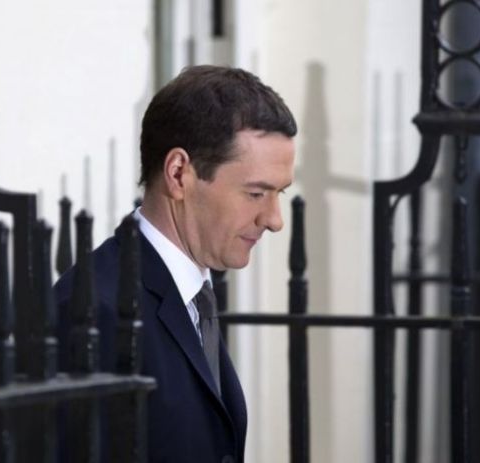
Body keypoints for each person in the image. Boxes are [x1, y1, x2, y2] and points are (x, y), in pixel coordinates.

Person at [55, 65, 297, 463]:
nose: (274, 220)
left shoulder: (195, 294)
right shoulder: (92, 311)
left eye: (279, 194)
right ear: (179, 173)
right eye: (256, 194)